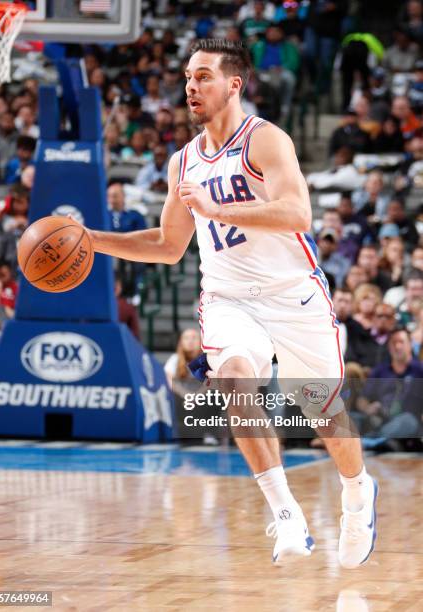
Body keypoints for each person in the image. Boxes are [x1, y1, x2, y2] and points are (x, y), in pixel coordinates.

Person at [77, 40, 378, 570]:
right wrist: (91, 240)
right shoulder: (183, 161)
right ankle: (286, 514)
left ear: (234, 84)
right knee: (233, 379)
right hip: (227, 298)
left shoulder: (265, 140)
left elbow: (298, 213)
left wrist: (220, 208)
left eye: (204, 76)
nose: (192, 86)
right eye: (188, 77)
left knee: (324, 413)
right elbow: (170, 247)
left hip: (295, 296)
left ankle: (357, 491)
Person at [356, 328, 423, 441]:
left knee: (408, 421)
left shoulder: (420, 371)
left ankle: (368, 441)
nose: (397, 347)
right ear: (388, 347)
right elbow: (362, 399)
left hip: (408, 424)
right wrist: (368, 407)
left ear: (410, 345)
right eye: (393, 343)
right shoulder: (379, 371)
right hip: (380, 419)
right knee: (352, 417)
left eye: (401, 342)